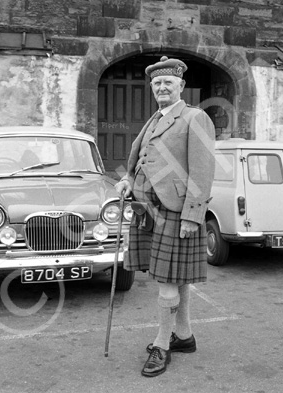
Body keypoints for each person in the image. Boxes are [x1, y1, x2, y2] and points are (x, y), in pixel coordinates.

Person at [115, 56, 215, 377]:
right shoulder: (154, 119)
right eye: (156, 83)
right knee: (174, 276)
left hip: (175, 212)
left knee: (167, 281)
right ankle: (183, 335)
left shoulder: (194, 118)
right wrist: (126, 182)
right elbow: (141, 163)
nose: (161, 87)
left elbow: (202, 171)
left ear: (181, 86)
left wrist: (192, 215)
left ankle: (162, 343)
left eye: (167, 83)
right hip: (148, 210)